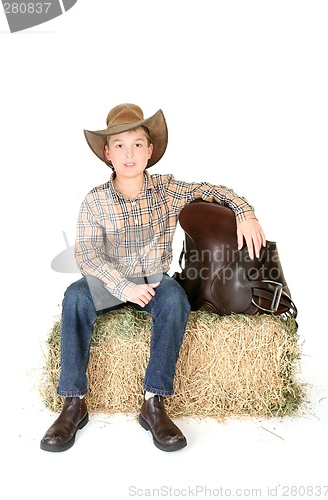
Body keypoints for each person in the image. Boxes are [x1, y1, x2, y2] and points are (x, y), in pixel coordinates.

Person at [40, 103, 266, 453]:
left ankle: (154, 401)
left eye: (137, 144)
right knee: (75, 297)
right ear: (107, 153)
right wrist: (124, 287)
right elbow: (87, 254)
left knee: (175, 299)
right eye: (119, 145)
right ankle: (73, 402)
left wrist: (245, 212)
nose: (128, 153)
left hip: (154, 279)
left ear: (150, 151)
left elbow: (213, 190)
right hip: (109, 280)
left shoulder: (167, 189)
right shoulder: (95, 200)